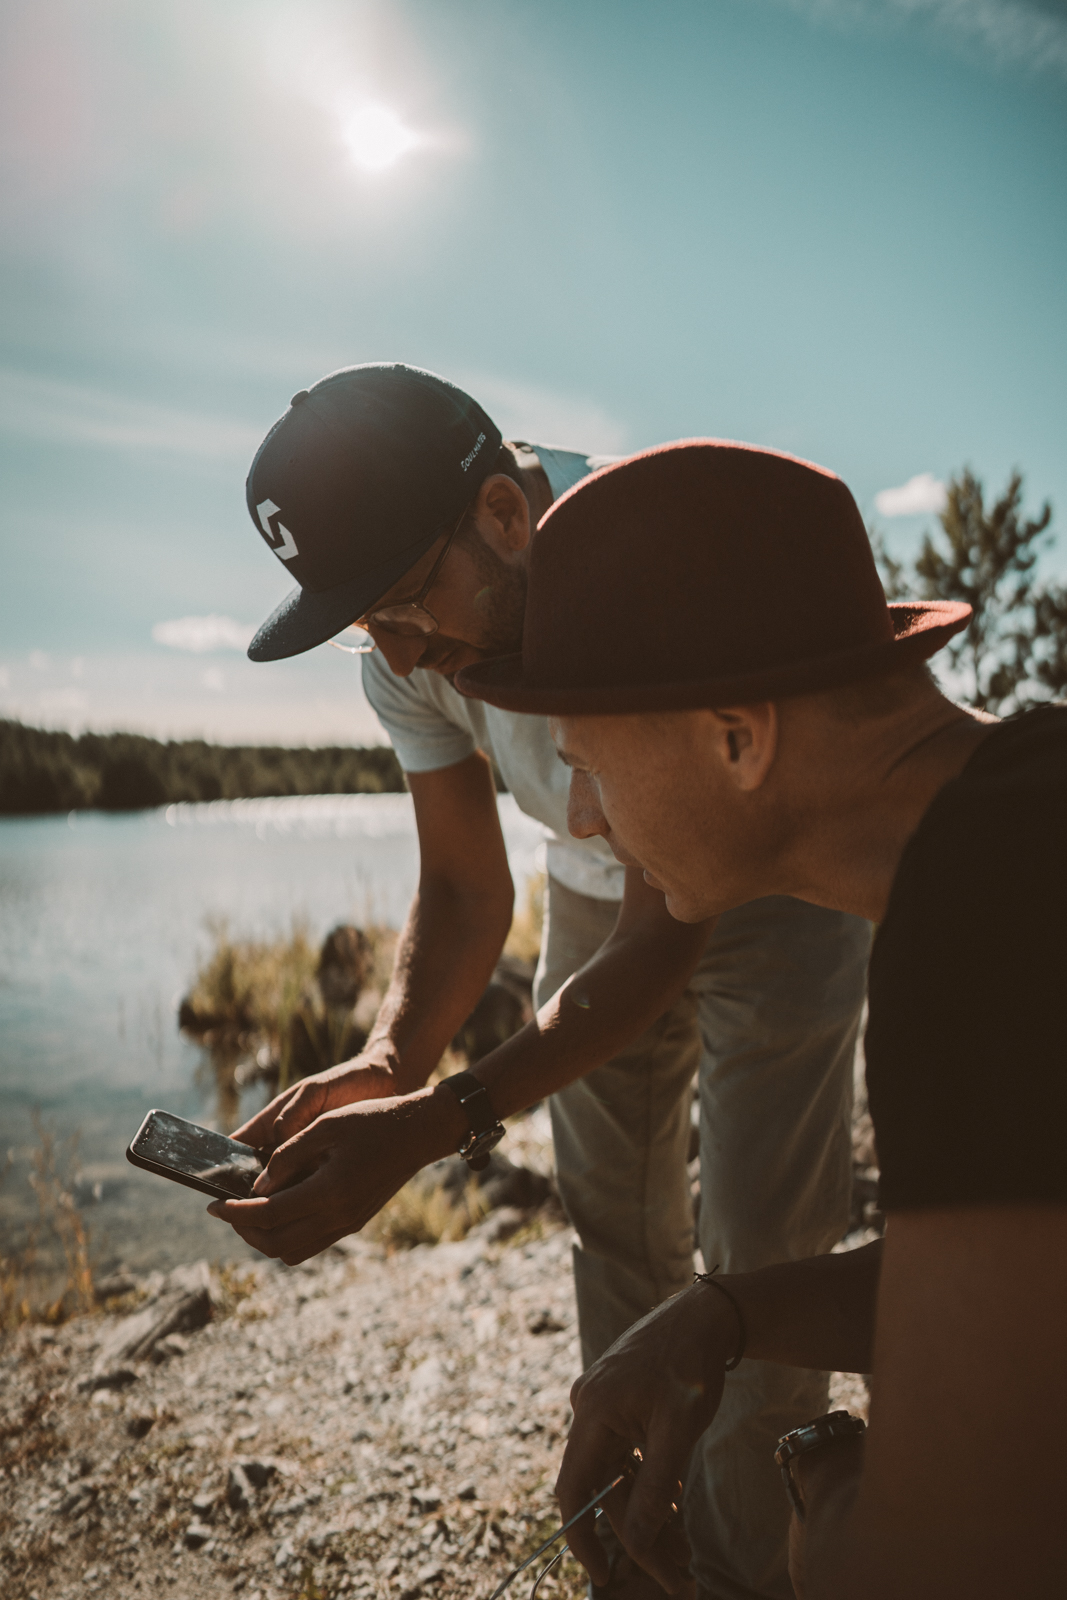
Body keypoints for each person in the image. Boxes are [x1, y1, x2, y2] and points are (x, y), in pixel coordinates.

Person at [212, 365, 871, 1600]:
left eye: (404, 600)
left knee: (760, 1242)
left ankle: (747, 1569)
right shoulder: (411, 650)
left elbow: (661, 934)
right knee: (611, 1219)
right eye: (364, 624)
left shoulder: (645, 562)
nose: (401, 653)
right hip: (597, 886)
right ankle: (642, 1549)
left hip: (765, 886)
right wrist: (393, 1060)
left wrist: (439, 1121)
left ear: (505, 516)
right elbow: (466, 888)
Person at [454, 437, 1067, 1600]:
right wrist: (726, 1311)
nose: (578, 818)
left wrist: (818, 1478)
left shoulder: (981, 920)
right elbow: (1018, 1273)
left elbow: (935, 1567)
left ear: (735, 736)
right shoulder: (1018, 819)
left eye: (587, 766)